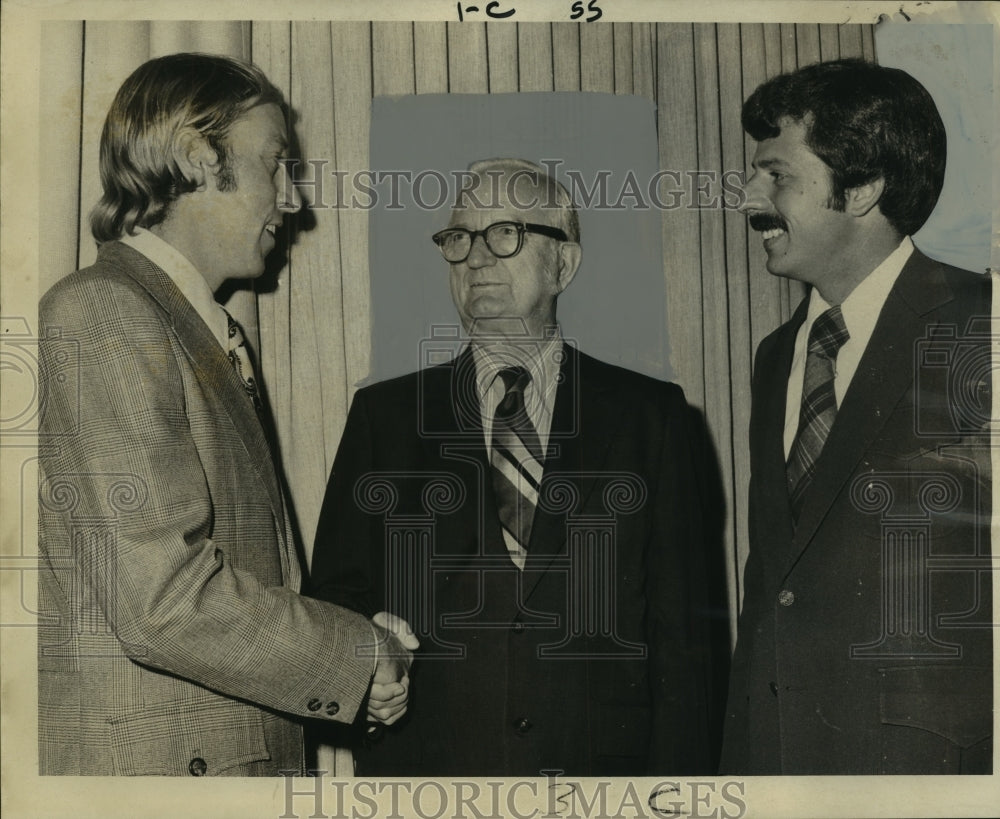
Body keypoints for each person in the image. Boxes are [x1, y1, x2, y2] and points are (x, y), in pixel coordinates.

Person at [37, 52, 416, 777]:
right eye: (274, 164)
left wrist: (354, 649)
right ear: (193, 157)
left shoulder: (204, 331)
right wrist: (357, 652)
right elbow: (165, 599)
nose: (293, 198)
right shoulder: (105, 311)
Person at [309, 158, 718, 776]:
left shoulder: (652, 417)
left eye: (506, 233)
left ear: (565, 264)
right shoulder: (385, 417)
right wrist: (370, 670)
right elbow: (333, 605)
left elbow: (685, 641)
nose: (475, 258)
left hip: (600, 784)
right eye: (458, 238)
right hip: (428, 780)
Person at [720, 59, 992, 774]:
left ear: (864, 188)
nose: (747, 195)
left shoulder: (980, 325)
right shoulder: (777, 355)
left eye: (775, 174)